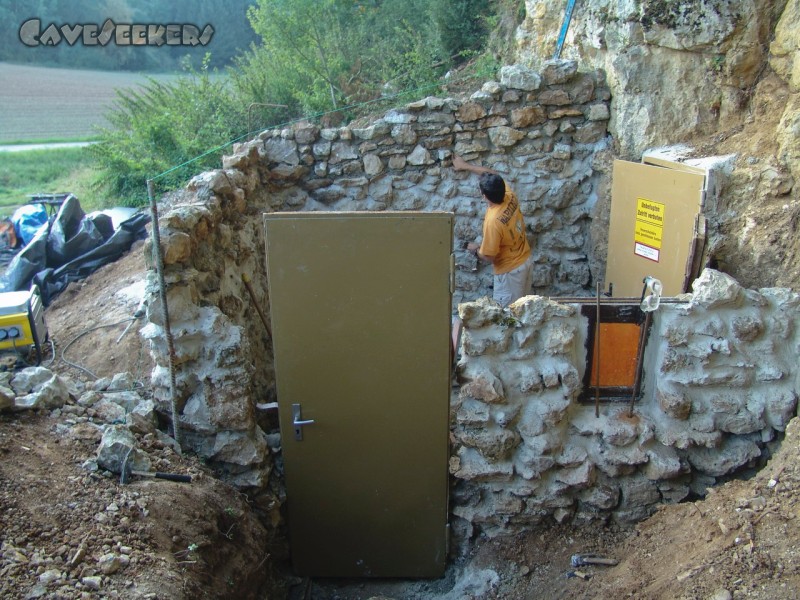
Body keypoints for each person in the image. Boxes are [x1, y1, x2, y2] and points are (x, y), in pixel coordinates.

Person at [452, 154, 534, 307]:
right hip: (525, 260)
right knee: (524, 313)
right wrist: (465, 166)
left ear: (484, 197)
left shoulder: (493, 221)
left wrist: (476, 249)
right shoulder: (509, 195)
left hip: (510, 273)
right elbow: (492, 174)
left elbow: (489, 256)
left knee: (508, 319)